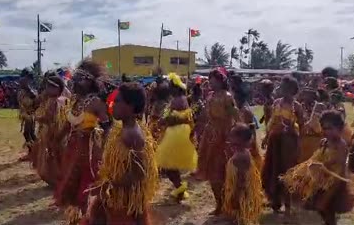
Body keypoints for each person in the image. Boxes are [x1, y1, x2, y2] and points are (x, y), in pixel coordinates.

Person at [83, 82, 158, 225]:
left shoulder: (132, 134)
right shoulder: (122, 128)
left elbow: (139, 174)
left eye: (117, 102)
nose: (112, 105)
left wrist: (108, 185)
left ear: (130, 106)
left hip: (124, 200)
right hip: (114, 195)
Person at [55, 60, 110, 224]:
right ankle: (78, 217)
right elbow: (67, 125)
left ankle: (90, 217)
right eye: (75, 78)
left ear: (89, 81)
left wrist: (107, 151)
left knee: (88, 185)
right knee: (72, 182)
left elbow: (108, 127)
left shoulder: (96, 103)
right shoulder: (75, 101)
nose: (75, 82)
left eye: (80, 78)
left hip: (90, 150)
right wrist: (55, 140)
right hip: (72, 149)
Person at [281, 110, 354, 225]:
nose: (326, 131)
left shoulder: (341, 145)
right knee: (321, 207)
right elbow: (319, 157)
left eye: (330, 128)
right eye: (324, 128)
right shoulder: (324, 142)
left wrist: (324, 166)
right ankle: (328, 222)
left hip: (335, 181)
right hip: (321, 180)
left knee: (325, 205)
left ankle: (330, 222)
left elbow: (340, 163)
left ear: (339, 128)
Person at [195, 69, 238, 214]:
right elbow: (205, 116)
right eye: (210, 79)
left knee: (224, 172)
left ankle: (228, 203)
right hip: (210, 137)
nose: (211, 82)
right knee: (212, 172)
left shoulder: (227, 97)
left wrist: (240, 132)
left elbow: (235, 115)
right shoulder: (210, 96)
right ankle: (219, 204)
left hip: (225, 137)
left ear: (221, 81)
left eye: (214, 79)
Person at [261, 75, 304, 215]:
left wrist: (297, 138)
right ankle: (275, 201)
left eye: (284, 87)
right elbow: (272, 121)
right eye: (281, 86)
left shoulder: (296, 106)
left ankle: (288, 204)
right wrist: (266, 137)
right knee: (274, 168)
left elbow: (302, 126)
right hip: (275, 140)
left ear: (292, 89)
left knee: (287, 172)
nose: (281, 89)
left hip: (289, 142)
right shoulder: (276, 103)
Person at [155, 73, 197, 201]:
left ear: (174, 87)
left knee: (168, 165)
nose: (168, 88)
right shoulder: (180, 99)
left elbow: (178, 118)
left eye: (170, 86)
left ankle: (180, 187)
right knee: (170, 165)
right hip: (177, 132)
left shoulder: (178, 100)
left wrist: (164, 120)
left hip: (176, 133)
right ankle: (180, 189)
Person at [222, 123, 263, 225]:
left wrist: (235, 198)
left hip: (241, 196)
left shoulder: (240, 158)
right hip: (243, 195)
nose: (229, 140)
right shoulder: (242, 153)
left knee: (241, 218)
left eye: (232, 138)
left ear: (240, 142)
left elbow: (241, 181)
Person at [32, 75, 69, 187]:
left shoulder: (54, 101)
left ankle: (56, 179)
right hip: (60, 132)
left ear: (57, 89)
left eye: (50, 87)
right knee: (57, 155)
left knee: (51, 155)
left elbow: (48, 117)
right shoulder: (63, 99)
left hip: (52, 132)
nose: (47, 89)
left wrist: (37, 117)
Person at [230, 75, 263, 171]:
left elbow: (251, 129)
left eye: (235, 99)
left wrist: (249, 143)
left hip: (245, 141)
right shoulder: (236, 109)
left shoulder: (245, 111)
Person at [17, 69, 38, 161]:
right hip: (26, 114)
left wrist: (27, 88)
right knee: (29, 134)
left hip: (30, 115)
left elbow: (35, 99)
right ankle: (35, 152)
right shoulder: (22, 90)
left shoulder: (30, 90)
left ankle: (34, 152)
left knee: (29, 134)